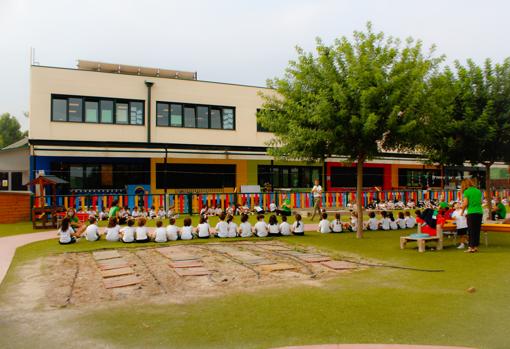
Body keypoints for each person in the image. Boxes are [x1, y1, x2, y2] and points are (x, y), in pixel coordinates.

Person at [461, 178, 483, 253]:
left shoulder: (466, 192)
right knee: (477, 230)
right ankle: (475, 246)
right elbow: (480, 202)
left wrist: (462, 211)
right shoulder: (478, 191)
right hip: (479, 212)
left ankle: (470, 247)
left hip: (471, 212)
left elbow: (465, 203)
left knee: (471, 230)